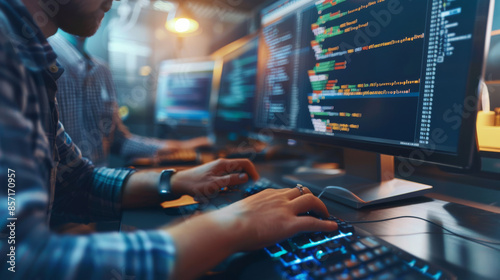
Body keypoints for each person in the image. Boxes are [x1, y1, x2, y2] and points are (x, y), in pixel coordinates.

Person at [0, 0, 337, 279]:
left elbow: (77, 182)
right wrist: (233, 224)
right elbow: (19, 259)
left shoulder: (29, 58)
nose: (110, 3)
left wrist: (175, 180)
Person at [47, 31, 209, 166]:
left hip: (97, 188)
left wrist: (177, 147)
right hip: (69, 197)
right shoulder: (42, 61)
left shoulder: (102, 71)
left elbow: (118, 140)